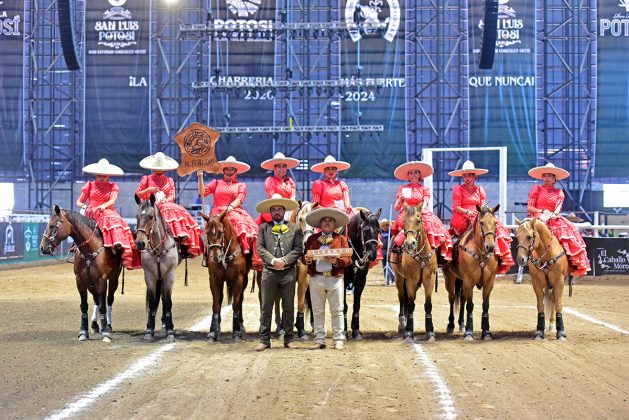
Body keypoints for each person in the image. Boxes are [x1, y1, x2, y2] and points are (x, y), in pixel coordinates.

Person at [254, 194, 304, 351]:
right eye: (274, 209)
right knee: (266, 306)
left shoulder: (295, 228)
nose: (277, 212)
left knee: (288, 306)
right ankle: (264, 339)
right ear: (270, 212)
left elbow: (298, 249)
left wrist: (285, 260)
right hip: (269, 272)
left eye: (279, 209)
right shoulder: (263, 228)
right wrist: (273, 260)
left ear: (284, 211)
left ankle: (289, 338)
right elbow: (260, 248)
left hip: (288, 273)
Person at [448, 160, 514, 274]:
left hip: (478, 214)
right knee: (460, 234)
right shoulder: (458, 189)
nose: (467, 178)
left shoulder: (480, 190)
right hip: (462, 216)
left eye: (469, 175)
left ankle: (498, 256)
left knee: (495, 228)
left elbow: (482, 204)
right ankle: (455, 257)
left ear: (474, 177)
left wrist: (485, 211)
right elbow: (457, 207)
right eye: (465, 175)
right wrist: (467, 212)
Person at [527, 163, 591, 276]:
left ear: (554, 178)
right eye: (544, 175)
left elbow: (558, 208)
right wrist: (542, 211)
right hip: (537, 217)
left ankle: (570, 263)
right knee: (526, 236)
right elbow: (530, 207)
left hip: (553, 217)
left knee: (569, 235)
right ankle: (525, 258)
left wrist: (554, 214)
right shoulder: (536, 189)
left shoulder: (559, 192)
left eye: (549, 176)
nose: (546, 178)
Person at [136, 152, 204, 258]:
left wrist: (165, 200)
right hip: (150, 205)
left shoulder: (169, 180)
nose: (159, 169)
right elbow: (138, 194)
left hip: (165, 204)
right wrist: (148, 190)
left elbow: (172, 196)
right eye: (157, 167)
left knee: (176, 209)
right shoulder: (147, 178)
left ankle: (180, 240)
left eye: (161, 167)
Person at [199, 155, 262, 269]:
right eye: (227, 169)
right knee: (212, 230)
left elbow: (240, 199)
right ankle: (207, 255)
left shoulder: (241, 185)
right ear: (223, 170)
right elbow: (203, 192)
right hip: (217, 211)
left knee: (251, 230)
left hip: (234, 210)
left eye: (231, 169)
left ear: (235, 170)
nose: (229, 171)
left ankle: (248, 256)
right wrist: (199, 178)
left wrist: (230, 207)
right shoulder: (216, 182)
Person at [76, 158, 140, 269]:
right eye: (99, 176)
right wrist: (85, 206)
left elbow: (113, 200)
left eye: (104, 176)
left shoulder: (113, 186)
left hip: (107, 211)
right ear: (96, 175)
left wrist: (105, 205)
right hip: (91, 212)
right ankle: (76, 248)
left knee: (114, 220)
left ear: (108, 176)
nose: (102, 178)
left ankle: (117, 248)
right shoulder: (89, 185)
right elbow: (79, 202)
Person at [302, 208, 352, 350]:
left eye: (331, 221)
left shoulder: (341, 239)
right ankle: (320, 339)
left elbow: (348, 259)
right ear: (320, 223)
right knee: (317, 310)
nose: (328, 223)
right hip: (316, 278)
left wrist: (335, 262)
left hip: (334, 278)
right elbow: (305, 257)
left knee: (337, 310)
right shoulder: (312, 239)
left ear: (335, 225)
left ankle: (338, 339)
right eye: (325, 220)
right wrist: (307, 260)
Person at [391, 161, 452, 261]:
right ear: (408, 176)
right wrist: (400, 200)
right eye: (411, 173)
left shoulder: (424, 188)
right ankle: (398, 248)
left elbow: (426, 202)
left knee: (432, 225)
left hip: (420, 212)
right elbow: (396, 208)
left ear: (420, 175)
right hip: (407, 214)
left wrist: (420, 210)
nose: (413, 175)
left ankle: (436, 250)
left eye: (416, 172)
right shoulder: (403, 188)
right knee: (407, 224)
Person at [256, 152, 299, 225]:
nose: (282, 169)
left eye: (284, 166)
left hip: (289, 208)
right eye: (279, 166)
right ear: (274, 168)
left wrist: (289, 208)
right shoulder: (270, 180)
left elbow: (293, 198)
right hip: (273, 209)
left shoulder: (290, 181)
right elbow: (272, 198)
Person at [379, 219, 395, 285]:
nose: (385, 227)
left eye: (387, 225)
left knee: (391, 266)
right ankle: (387, 280)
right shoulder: (380, 233)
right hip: (383, 251)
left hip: (389, 251)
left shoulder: (391, 233)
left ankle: (393, 280)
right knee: (384, 266)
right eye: (384, 226)